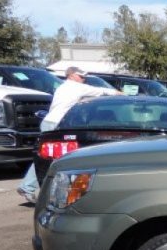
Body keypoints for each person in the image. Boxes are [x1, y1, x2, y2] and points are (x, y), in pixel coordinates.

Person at [17, 66, 120, 203]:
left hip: (50, 122)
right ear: (71, 75)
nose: (83, 79)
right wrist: (117, 93)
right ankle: (29, 187)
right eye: (81, 76)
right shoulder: (75, 87)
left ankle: (27, 186)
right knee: (49, 157)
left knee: (44, 156)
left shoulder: (64, 87)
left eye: (84, 77)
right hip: (55, 124)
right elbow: (100, 91)